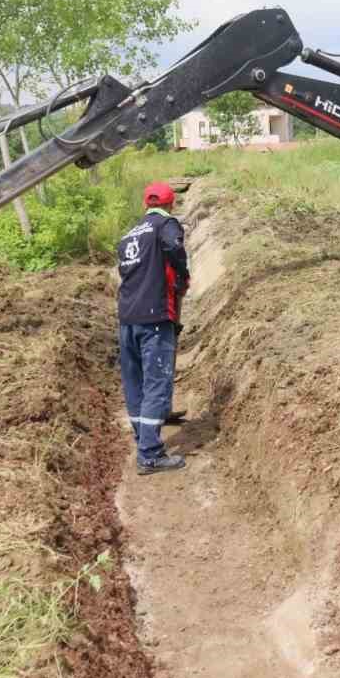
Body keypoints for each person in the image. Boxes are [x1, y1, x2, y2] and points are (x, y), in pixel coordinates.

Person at [116, 181, 190, 474]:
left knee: (135, 383)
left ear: (145, 204)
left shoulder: (129, 234)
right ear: (170, 204)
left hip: (127, 318)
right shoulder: (166, 224)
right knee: (157, 382)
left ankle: (143, 437)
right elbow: (174, 246)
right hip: (155, 317)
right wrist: (182, 275)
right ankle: (150, 455)